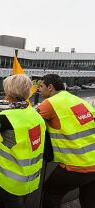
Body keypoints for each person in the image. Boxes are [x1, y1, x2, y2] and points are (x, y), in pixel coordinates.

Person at [37, 74, 95, 208]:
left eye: (41, 86)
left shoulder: (50, 103)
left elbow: (30, 120)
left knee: (51, 192)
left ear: (50, 87)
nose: (39, 90)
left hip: (75, 164)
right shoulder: (78, 100)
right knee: (89, 201)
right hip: (93, 162)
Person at [0, 74, 46, 208]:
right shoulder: (35, 114)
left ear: (8, 91)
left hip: (10, 181)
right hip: (31, 177)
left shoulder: (5, 118)